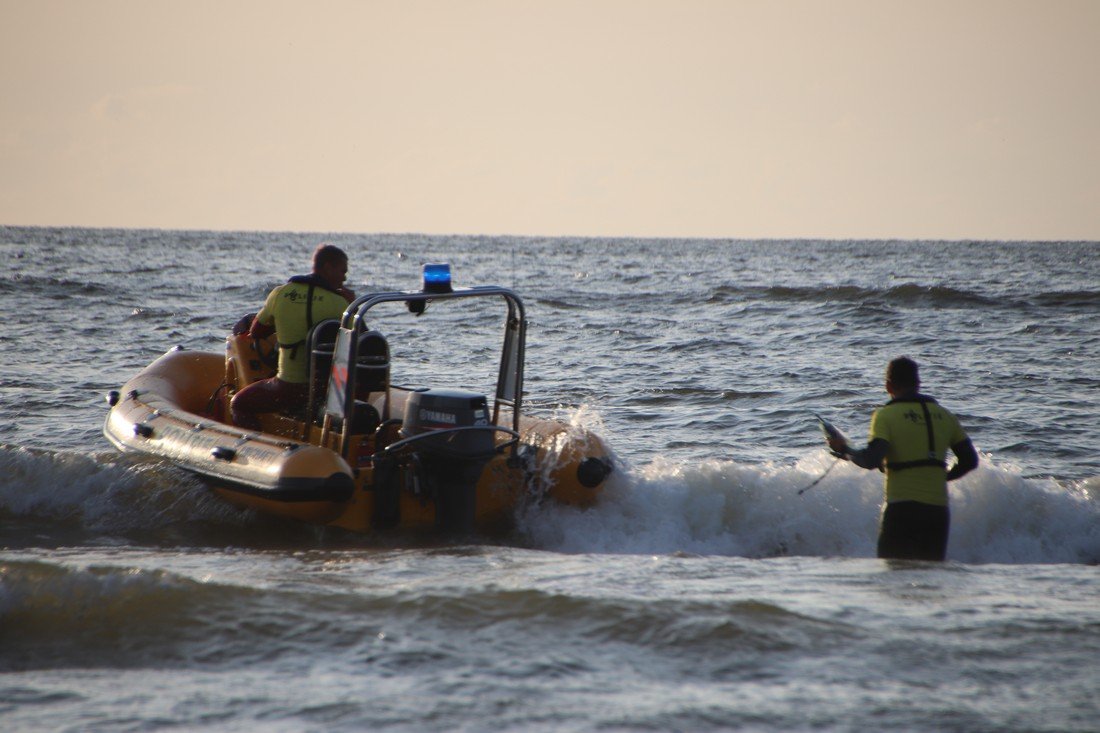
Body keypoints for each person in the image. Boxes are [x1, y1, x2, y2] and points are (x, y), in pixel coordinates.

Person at [828, 357, 978, 561]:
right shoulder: (945, 415)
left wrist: (846, 450)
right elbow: (970, 460)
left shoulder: (886, 415)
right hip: (937, 513)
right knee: (931, 578)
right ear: (918, 384)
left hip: (901, 511)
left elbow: (871, 459)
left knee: (895, 579)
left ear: (888, 386)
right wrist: (941, 477)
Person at [230, 244, 356, 430]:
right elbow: (361, 338)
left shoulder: (281, 293)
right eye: (342, 271)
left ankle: (260, 446)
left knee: (238, 404)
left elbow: (256, 332)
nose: (345, 278)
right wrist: (353, 304)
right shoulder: (340, 303)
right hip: (328, 390)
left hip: (288, 388)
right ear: (328, 267)